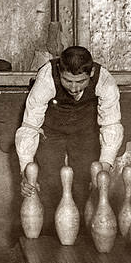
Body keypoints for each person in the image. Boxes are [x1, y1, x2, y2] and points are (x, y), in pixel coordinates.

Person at [14, 45, 124, 227]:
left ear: (92, 72)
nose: (74, 88)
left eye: (80, 81)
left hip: (85, 132)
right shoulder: (46, 77)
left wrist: (104, 165)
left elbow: (111, 123)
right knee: (48, 183)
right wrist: (25, 170)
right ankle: (48, 235)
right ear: (59, 70)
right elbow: (30, 125)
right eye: (67, 81)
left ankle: (86, 234)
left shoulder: (105, 81)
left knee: (88, 184)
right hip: (51, 132)